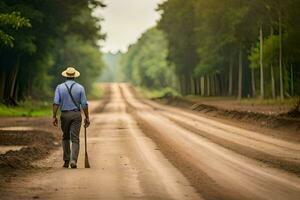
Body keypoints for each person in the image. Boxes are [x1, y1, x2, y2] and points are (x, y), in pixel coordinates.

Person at [52, 67, 90, 168]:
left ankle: (66, 160)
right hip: (76, 115)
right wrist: (87, 117)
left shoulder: (59, 87)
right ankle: (73, 160)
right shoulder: (80, 88)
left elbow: (56, 103)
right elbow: (84, 105)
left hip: (64, 115)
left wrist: (54, 116)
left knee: (65, 137)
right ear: (74, 76)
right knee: (75, 138)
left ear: (66, 75)